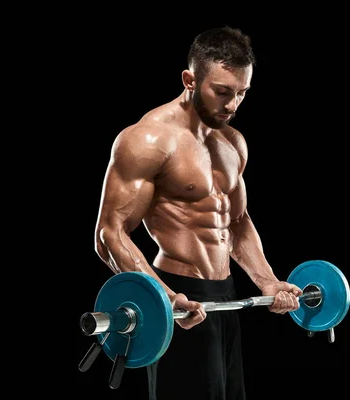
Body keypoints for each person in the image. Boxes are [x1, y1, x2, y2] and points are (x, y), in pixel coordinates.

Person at [94, 26, 302, 400]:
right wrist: (164, 298)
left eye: (241, 93)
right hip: (179, 295)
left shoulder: (232, 142)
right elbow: (110, 234)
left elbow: (236, 221)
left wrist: (267, 281)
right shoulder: (147, 140)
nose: (232, 104)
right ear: (190, 79)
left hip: (225, 296)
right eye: (222, 92)